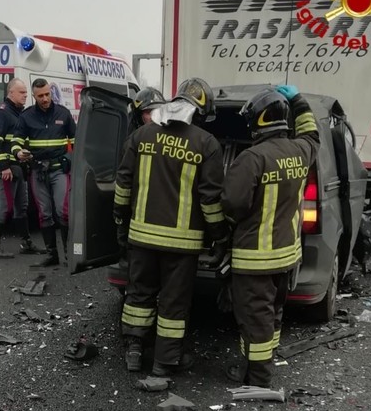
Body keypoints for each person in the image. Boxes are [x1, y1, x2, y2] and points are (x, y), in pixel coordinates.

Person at [114, 77, 229, 376]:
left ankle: (134, 352)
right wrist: (220, 237)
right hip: (183, 244)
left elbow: (123, 184)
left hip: (140, 237)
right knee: (173, 305)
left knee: (138, 295)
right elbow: (210, 201)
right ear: (200, 112)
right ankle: (164, 363)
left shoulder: (141, 136)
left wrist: (120, 223)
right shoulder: (207, 144)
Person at [221, 84, 320, 387]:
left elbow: (232, 204)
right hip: (287, 256)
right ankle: (258, 365)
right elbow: (312, 135)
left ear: (260, 120)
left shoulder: (251, 158)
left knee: (254, 319)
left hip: (255, 258)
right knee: (273, 313)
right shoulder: (302, 151)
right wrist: (300, 101)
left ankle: (258, 377)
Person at [12, 78, 76, 266]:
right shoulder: (26, 116)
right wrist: (18, 152)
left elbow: (77, 139)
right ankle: (52, 255)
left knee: (63, 212)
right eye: (40, 96)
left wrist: (71, 159)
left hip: (59, 171)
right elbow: (16, 140)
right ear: (34, 96)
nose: (45, 98)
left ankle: (68, 254)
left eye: (47, 94)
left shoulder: (63, 114)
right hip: (38, 171)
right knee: (45, 214)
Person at [0, 78, 45, 258]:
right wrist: (4, 167)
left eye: (26, 92)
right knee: (5, 207)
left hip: (18, 167)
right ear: (11, 93)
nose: (26, 95)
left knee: (22, 206)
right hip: (7, 167)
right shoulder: (2, 113)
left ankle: (26, 243)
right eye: (22, 92)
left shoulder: (19, 114)